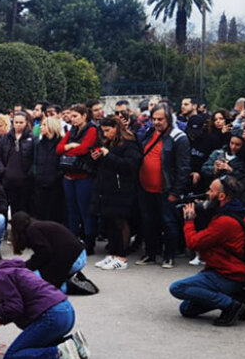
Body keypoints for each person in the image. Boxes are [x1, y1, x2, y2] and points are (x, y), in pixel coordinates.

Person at [0, 242, 87, 359]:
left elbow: (15, 307)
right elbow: (17, 302)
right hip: (65, 310)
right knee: (34, 344)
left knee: (11, 357)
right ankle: (74, 344)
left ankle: (59, 354)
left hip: (52, 317)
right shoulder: (9, 268)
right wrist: (0, 321)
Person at [168, 176, 245, 326]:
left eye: (210, 191)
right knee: (186, 308)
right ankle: (237, 298)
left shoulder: (225, 222)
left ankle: (231, 304)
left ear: (221, 196)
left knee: (178, 288)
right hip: (229, 271)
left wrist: (188, 220)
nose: (207, 194)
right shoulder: (237, 211)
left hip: (227, 274)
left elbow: (193, 243)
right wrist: (205, 208)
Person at [137, 105, 191, 268]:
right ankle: (151, 254)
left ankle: (169, 255)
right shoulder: (148, 133)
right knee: (148, 222)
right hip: (145, 187)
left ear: (168, 119)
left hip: (166, 189)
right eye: (154, 119)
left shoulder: (179, 137)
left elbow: (183, 168)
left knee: (168, 222)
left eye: (160, 119)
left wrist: (176, 191)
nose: (156, 122)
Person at [91, 115, 141, 270]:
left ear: (116, 128)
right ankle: (112, 254)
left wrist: (109, 155)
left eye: (107, 131)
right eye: (103, 131)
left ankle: (121, 256)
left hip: (123, 189)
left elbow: (130, 165)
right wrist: (97, 158)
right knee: (110, 223)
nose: (105, 134)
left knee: (121, 223)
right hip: (107, 188)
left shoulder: (130, 143)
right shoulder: (109, 142)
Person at [8, 211, 89, 291]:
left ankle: (69, 285)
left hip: (74, 260)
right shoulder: (37, 226)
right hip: (79, 256)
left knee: (32, 281)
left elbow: (44, 253)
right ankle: (71, 276)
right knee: (40, 273)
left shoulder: (32, 230)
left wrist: (27, 266)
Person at [56, 104, 98, 253]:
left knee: (85, 210)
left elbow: (84, 148)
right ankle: (73, 239)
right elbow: (59, 148)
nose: (72, 119)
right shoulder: (72, 130)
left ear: (84, 116)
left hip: (84, 175)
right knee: (72, 209)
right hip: (69, 175)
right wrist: (71, 146)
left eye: (75, 116)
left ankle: (89, 240)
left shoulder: (92, 129)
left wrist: (70, 148)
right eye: (71, 116)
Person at [0, 111, 36, 216]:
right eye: (16, 122)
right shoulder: (5, 138)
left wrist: (29, 174)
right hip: (8, 180)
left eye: (21, 122)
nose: (18, 124)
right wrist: (3, 171)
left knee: (25, 208)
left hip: (25, 181)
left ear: (26, 123)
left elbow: (35, 159)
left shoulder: (33, 139)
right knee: (12, 207)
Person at [34, 116, 65, 224]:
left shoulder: (61, 143)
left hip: (55, 184)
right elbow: (35, 162)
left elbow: (62, 164)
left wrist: (56, 177)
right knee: (40, 213)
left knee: (54, 213)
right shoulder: (39, 144)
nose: (41, 127)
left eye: (44, 125)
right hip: (40, 183)